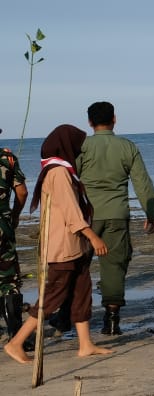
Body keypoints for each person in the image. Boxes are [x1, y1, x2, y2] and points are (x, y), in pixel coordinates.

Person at [4, 124, 113, 363]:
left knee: (82, 291)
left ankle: (85, 344)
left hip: (75, 245)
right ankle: (16, 342)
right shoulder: (58, 173)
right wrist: (93, 237)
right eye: (77, 146)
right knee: (53, 295)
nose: (79, 150)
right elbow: (72, 213)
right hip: (63, 246)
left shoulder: (61, 170)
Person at [77, 101, 154, 336]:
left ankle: (68, 316)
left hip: (87, 217)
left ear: (90, 122)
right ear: (114, 119)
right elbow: (142, 182)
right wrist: (151, 212)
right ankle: (112, 320)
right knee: (114, 266)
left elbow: (71, 180)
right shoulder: (127, 147)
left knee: (77, 265)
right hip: (116, 213)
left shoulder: (82, 147)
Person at [0, 129, 27, 341]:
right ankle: (16, 334)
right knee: (9, 280)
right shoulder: (8, 158)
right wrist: (15, 216)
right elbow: (22, 192)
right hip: (3, 224)